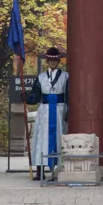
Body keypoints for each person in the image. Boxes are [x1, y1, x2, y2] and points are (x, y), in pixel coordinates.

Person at [27, 48, 69, 181]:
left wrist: (69, 111)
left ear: (58, 61)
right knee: (41, 139)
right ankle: (40, 170)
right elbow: (36, 95)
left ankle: (60, 168)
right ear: (47, 61)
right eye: (50, 60)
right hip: (44, 110)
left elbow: (69, 95)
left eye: (55, 60)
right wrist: (27, 97)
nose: (52, 62)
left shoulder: (65, 76)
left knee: (59, 137)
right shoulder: (41, 77)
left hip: (59, 109)